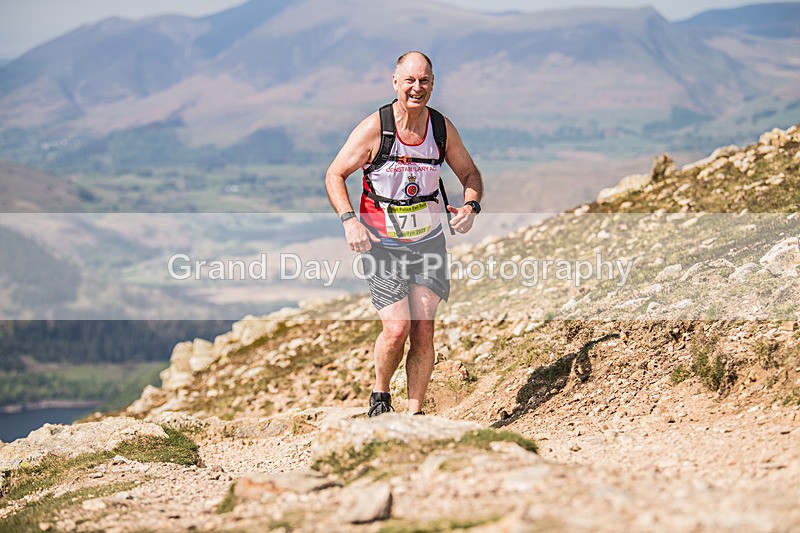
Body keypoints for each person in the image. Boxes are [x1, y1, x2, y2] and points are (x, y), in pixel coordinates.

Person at [325, 51, 483, 417]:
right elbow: (334, 174)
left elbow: (470, 174)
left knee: (423, 328)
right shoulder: (375, 128)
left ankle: (415, 413)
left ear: (433, 84)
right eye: (409, 80)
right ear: (395, 82)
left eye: (424, 80)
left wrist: (470, 206)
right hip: (383, 245)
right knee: (397, 329)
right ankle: (381, 395)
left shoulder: (441, 129)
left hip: (428, 242)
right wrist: (349, 220)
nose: (417, 87)